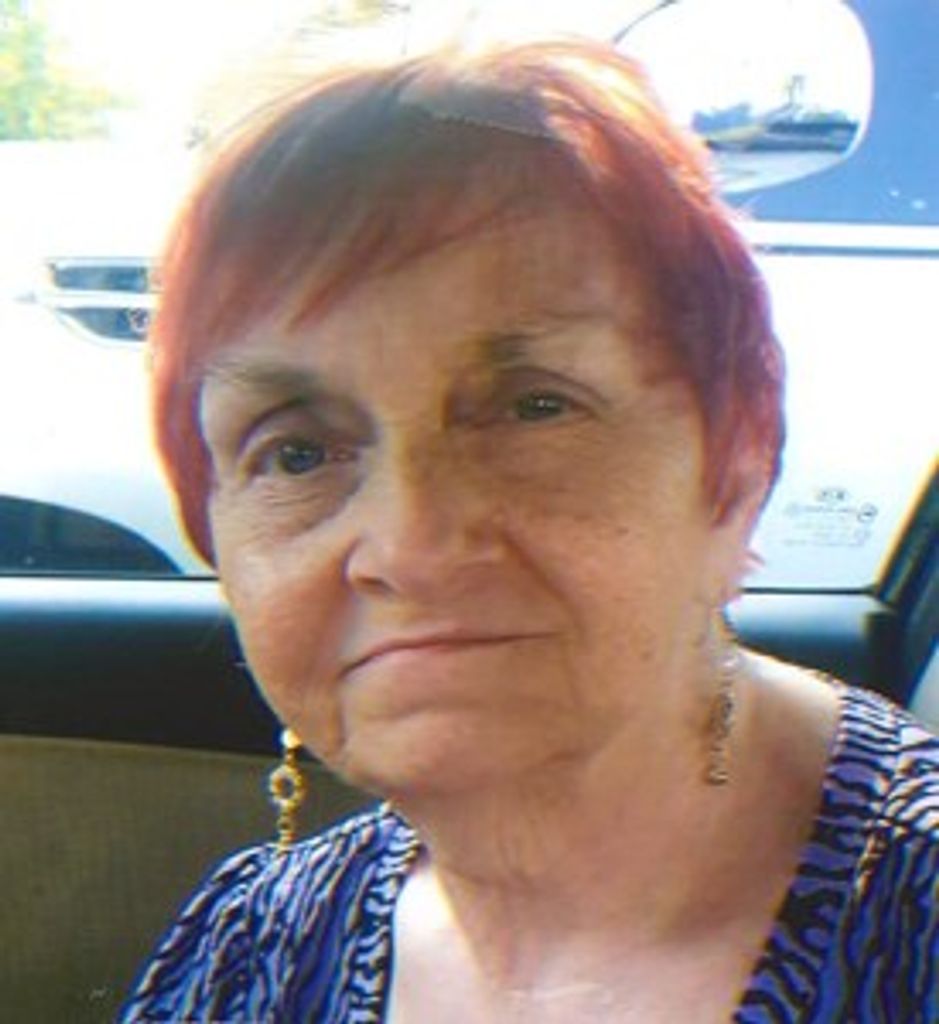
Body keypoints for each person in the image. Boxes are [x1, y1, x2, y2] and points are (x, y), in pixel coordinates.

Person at [120, 41, 938, 1023]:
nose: (410, 547)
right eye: (296, 454)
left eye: (532, 407)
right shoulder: (252, 946)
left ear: (737, 461)